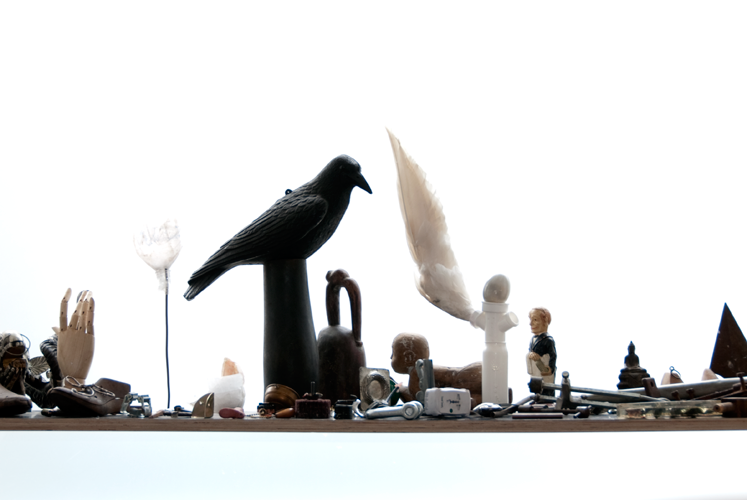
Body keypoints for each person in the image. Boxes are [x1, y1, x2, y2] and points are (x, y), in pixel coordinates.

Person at [526, 307, 556, 396]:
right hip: (535, 374)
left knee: (545, 392)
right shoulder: (532, 340)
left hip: (544, 376)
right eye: (530, 319)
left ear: (545, 321)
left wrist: (549, 369)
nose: (530, 323)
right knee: (536, 391)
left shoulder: (548, 340)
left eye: (535, 320)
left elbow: (553, 356)